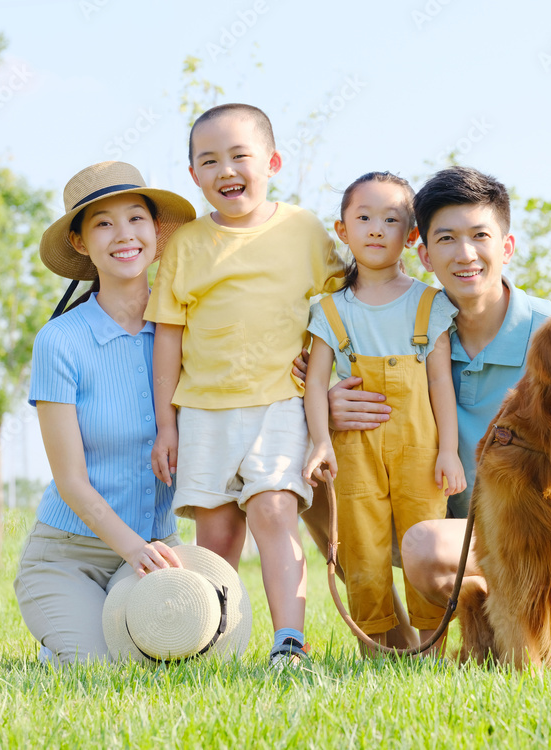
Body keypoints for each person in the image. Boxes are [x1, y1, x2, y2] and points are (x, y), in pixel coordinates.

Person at [300, 166, 551, 628]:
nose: (465, 254)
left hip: (537, 528)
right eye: (446, 239)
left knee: (426, 547)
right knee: (318, 487)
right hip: (449, 513)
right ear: (423, 252)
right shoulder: (412, 327)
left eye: (480, 235)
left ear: (507, 246)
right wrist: (332, 406)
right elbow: (326, 377)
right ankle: (391, 644)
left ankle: (506, 624)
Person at [144, 103, 345, 666]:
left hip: (282, 399)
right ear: (194, 177)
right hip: (204, 408)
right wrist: (166, 423)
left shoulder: (302, 229)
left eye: (240, 156)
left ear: (273, 162)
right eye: (209, 161)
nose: (226, 170)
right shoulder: (186, 243)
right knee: (218, 531)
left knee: (275, 509)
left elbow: (339, 308)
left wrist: (327, 368)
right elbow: (168, 337)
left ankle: (290, 642)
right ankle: (215, 638)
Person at [14, 161, 197, 666]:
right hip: (66, 557)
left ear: (156, 232)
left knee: (168, 655)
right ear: (80, 243)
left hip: (151, 549)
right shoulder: (60, 341)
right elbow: (70, 481)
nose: (124, 235)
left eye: (136, 218)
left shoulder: (188, 329)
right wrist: (135, 550)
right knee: (102, 671)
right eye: (103, 223)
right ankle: (66, 648)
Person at [302, 171, 465, 650]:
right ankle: (376, 648)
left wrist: (449, 452)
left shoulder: (429, 303)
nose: (376, 229)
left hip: (422, 447)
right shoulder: (330, 310)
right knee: (360, 539)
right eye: (364, 217)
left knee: (423, 528)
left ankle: (433, 645)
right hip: (356, 450)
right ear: (342, 230)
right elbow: (315, 384)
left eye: (391, 219)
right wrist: (320, 442)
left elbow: (440, 384)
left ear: (411, 235)